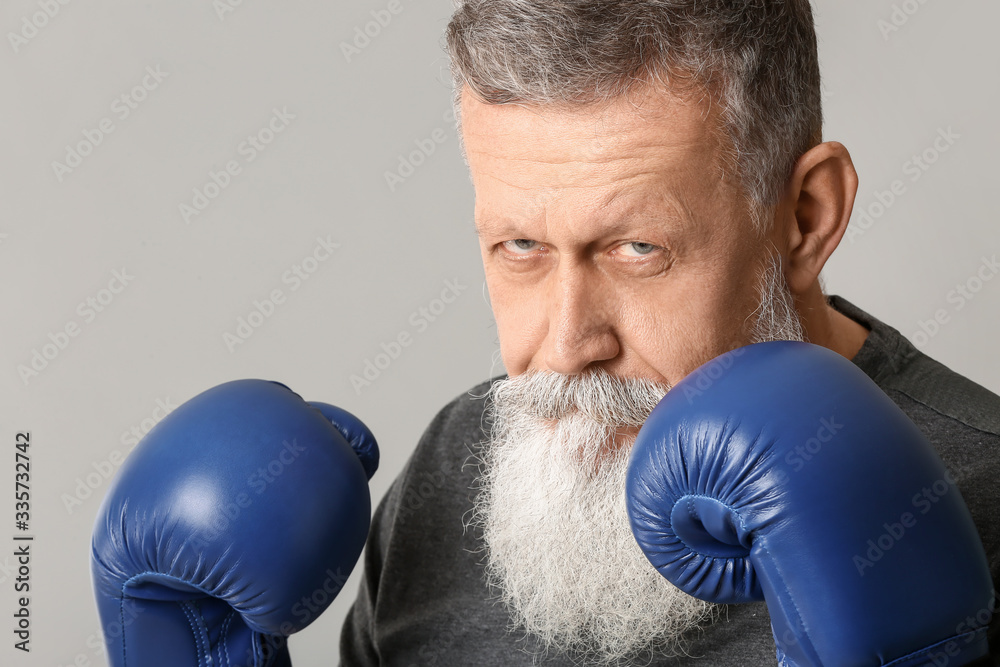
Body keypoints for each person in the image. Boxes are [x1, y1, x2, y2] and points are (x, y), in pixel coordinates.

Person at [339, 1, 1000, 664]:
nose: (569, 346)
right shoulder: (451, 469)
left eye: (637, 248)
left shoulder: (985, 491)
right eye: (521, 244)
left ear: (806, 216)